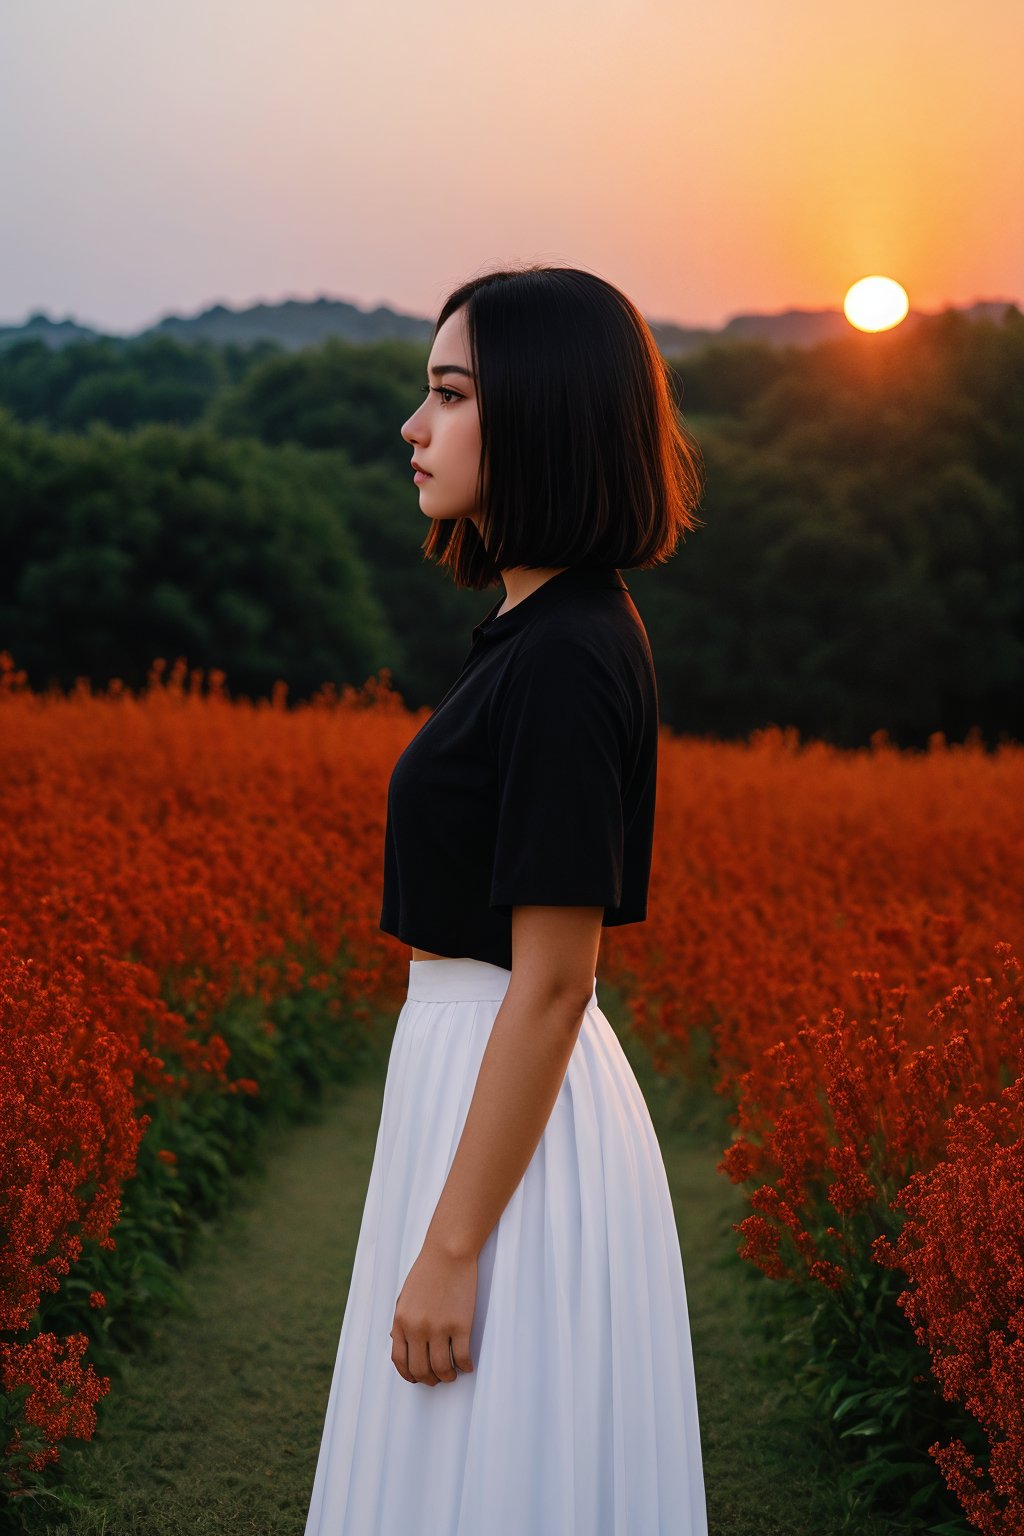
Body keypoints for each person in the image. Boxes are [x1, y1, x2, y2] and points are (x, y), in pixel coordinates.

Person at [303, 263, 709, 1535]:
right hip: (479, 1086)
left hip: (509, 1103)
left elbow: (554, 975)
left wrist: (455, 1246)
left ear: (538, 415)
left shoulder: (569, 652)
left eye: (450, 395)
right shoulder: (540, 634)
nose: (414, 428)